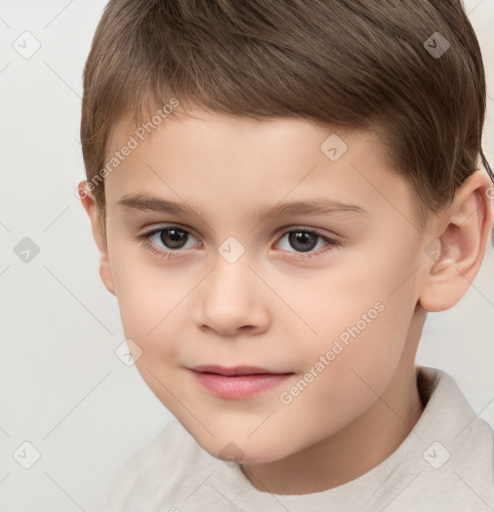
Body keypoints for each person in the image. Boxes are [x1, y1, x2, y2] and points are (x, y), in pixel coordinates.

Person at [77, 0, 494, 510]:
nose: (226, 310)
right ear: (103, 237)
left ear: (449, 245)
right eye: (172, 237)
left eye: (303, 239)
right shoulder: (145, 489)